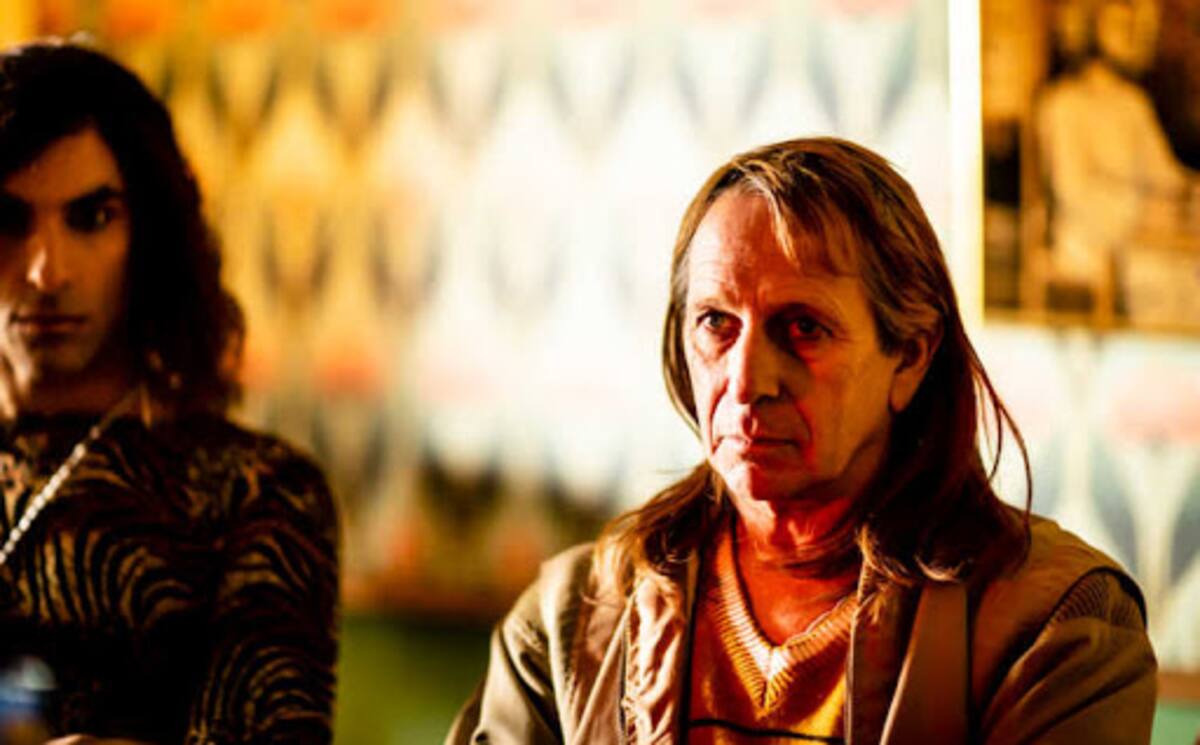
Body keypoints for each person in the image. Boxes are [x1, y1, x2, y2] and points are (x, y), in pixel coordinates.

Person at [448, 138, 1156, 744]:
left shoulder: (1057, 630)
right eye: (716, 324)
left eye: (803, 328)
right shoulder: (571, 623)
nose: (747, 381)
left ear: (910, 356)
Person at [0, 41, 338, 744]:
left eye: (91, 218)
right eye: (7, 221)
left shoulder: (255, 492)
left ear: (151, 235)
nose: (46, 272)